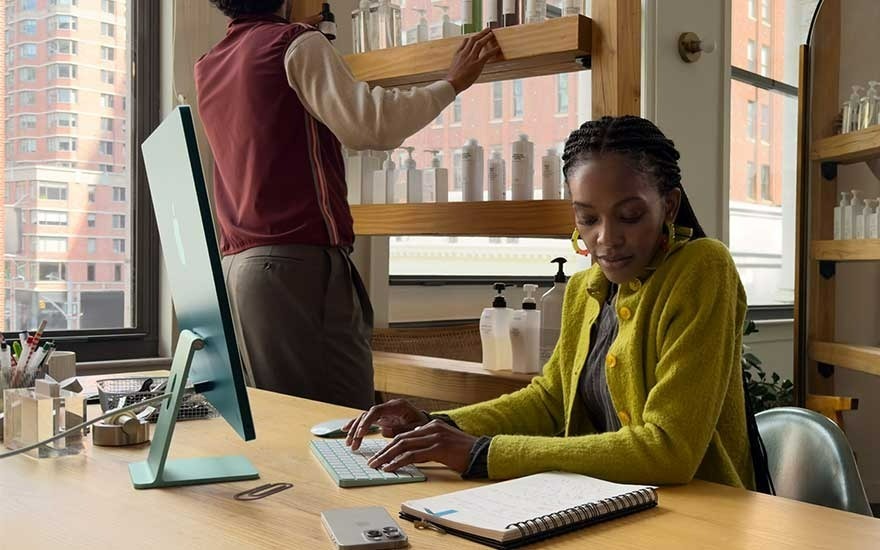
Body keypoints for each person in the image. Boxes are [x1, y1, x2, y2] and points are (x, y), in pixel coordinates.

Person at [345, 115, 755, 489]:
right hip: (604, 502)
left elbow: (668, 451)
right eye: (588, 219)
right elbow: (550, 400)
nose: (606, 239)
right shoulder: (583, 291)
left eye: (629, 216)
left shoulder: (702, 268)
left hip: (702, 515)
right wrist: (437, 426)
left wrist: (482, 453)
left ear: (669, 205)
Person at [195, 0, 499, 409]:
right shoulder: (295, 44)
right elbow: (371, 125)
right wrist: (452, 83)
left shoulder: (210, 63)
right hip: (295, 265)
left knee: (285, 418)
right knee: (342, 424)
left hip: (237, 268)